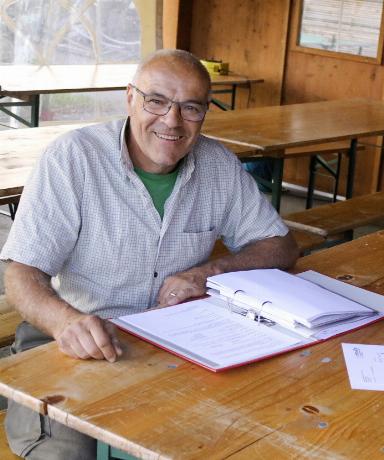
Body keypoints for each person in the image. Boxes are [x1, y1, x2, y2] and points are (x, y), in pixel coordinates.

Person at [0, 49, 298, 459]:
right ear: (129, 98)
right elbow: (21, 272)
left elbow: (279, 245)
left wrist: (208, 271)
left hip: (172, 339)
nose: (172, 121)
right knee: (64, 454)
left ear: (205, 113)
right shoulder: (73, 158)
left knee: (236, 435)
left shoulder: (218, 165)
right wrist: (64, 321)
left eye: (190, 108)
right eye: (156, 101)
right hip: (71, 336)